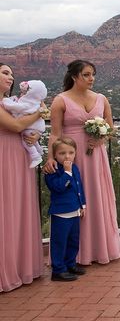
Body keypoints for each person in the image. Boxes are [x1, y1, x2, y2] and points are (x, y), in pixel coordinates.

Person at [44, 60, 120, 265]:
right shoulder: (60, 101)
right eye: (86, 75)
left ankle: (98, 249)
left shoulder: (101, 99)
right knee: (72, 200)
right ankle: (74, 256)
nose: (91, 79)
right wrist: (51, 157)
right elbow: (55, 134)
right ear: (74, 77)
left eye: (93, 74)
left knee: (96, 197)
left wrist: (102, 138)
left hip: (96, 157)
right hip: (71, 157)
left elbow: (111, 130)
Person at [0, 62, 45, 292]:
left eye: (12, 73)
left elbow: (28, 126)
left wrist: (36, 130)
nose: (10, 77)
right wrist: (40, 112)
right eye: (5, 72)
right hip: (3, 157)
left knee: (19, 208)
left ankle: (20, 265)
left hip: (19, 156)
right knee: (5, 209)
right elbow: (17, 125)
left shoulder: (15, 102)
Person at [45, 137, 87, 282]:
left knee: (73, 240)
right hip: (61, 213)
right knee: (59, 242)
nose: (67, 156)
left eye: (71, 152)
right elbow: (58, 187)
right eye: (62, 153)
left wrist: (83, 205)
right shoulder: (52, 171)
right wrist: (67, 173)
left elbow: (79, 187)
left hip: (75, 211)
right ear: (55, 155)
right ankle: (58, 270)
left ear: (75, 153)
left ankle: (70, 264)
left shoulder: (74, 167)